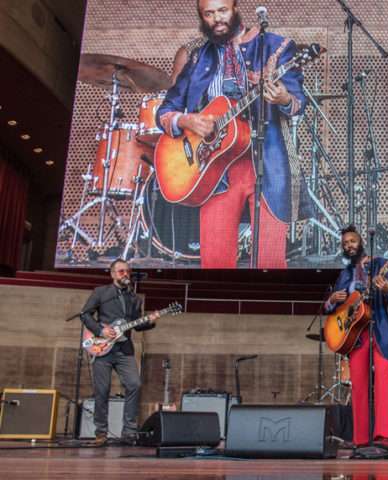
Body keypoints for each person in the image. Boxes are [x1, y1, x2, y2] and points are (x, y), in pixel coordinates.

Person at [156, 0, 306, 268]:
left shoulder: (275, 45)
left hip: (267, 164)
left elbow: (297, 103)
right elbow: (167, 110)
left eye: (222, 10)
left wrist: (283, 98)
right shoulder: (197, 57)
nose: (217, 19)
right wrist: (187, 120)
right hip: (216, 169)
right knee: (214, 261)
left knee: (269, 262)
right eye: (209, 14)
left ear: (235, 8)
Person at [324, 225, 388, 453]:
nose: (349, 246)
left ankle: (385, 436)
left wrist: (387, 289)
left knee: (384, 382)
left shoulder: (379, 264)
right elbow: (332, 308)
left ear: (361, 242)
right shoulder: (344, 274)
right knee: (358, 386)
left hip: (378, 330)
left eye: (352, 241)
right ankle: (360, 439)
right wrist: (332, 299)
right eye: (345, 243)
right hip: (355, 336)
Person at [80, 259, 157, 445]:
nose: (125, 275)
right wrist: (101, 330)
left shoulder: (134, 299)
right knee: (102, 390)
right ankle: (101, 433)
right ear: (113, 274)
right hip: (102, 348)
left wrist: (151, 320)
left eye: (127, 272)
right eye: (121, 271)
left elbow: (137, 326)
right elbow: (85, 314)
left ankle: (129, 432)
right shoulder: (101, 293)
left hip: (124, 349)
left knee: (134, 384)